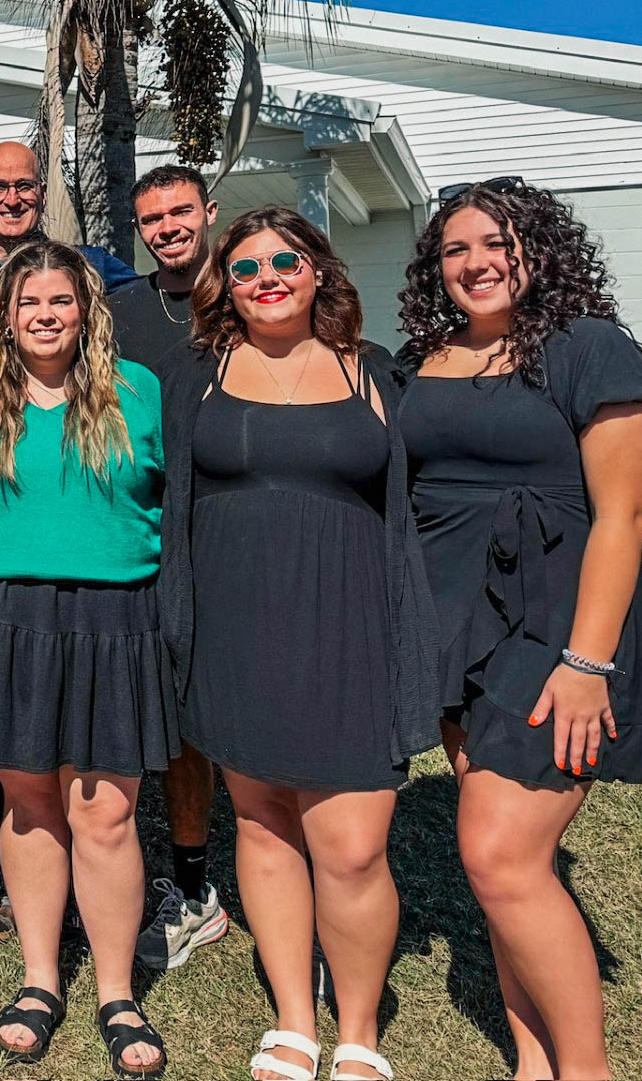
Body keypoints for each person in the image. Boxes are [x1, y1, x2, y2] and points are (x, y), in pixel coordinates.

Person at [398, 180, 642, 1081]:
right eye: (455, 250)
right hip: (450, 627)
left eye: (497, 243)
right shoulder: (426, 359)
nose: (476, 263)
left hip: (555, 630)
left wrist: (587, 661)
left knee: (499, 852)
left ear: (538, 248)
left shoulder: (588, 349)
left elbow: (624, 515)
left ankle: (585, 1072)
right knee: (499, 869)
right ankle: (530, 1059)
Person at [160, 208, 442, 1081]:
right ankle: (294, 1018)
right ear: (225, 288)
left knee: (353, 845)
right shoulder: (200, 375)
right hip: (236, 630)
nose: (267, 278)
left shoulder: (377, 375)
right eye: (246, 269)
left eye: (286, 260)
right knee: (266, 825)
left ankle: (358, 1030)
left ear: (320, 271)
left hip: (350, 625)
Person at [0, 240, 171, 1077]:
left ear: (87, 312)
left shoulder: (138, 393)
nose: (44, 315)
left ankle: (116, 990)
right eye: (28, 302)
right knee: (31, 802)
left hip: (116, 616)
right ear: (5, 315)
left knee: (105, 811)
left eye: (61, 302)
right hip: (1, 616)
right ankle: (41, 980)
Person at [106, 165, 229, 973]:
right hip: (145, 538)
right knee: (172, 721)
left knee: (237, 720)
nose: (167, 228)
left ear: (208, 213)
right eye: (152, 219)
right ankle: (180, 883)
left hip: (237, 531)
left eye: (180, 212)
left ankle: (232, 880)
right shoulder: (119, 312)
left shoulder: (254, 290)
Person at [0, 141, 140, 374]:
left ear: (42, 195)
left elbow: (160, 303)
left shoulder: (88, 266)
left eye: (24, 186)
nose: (12, 200)